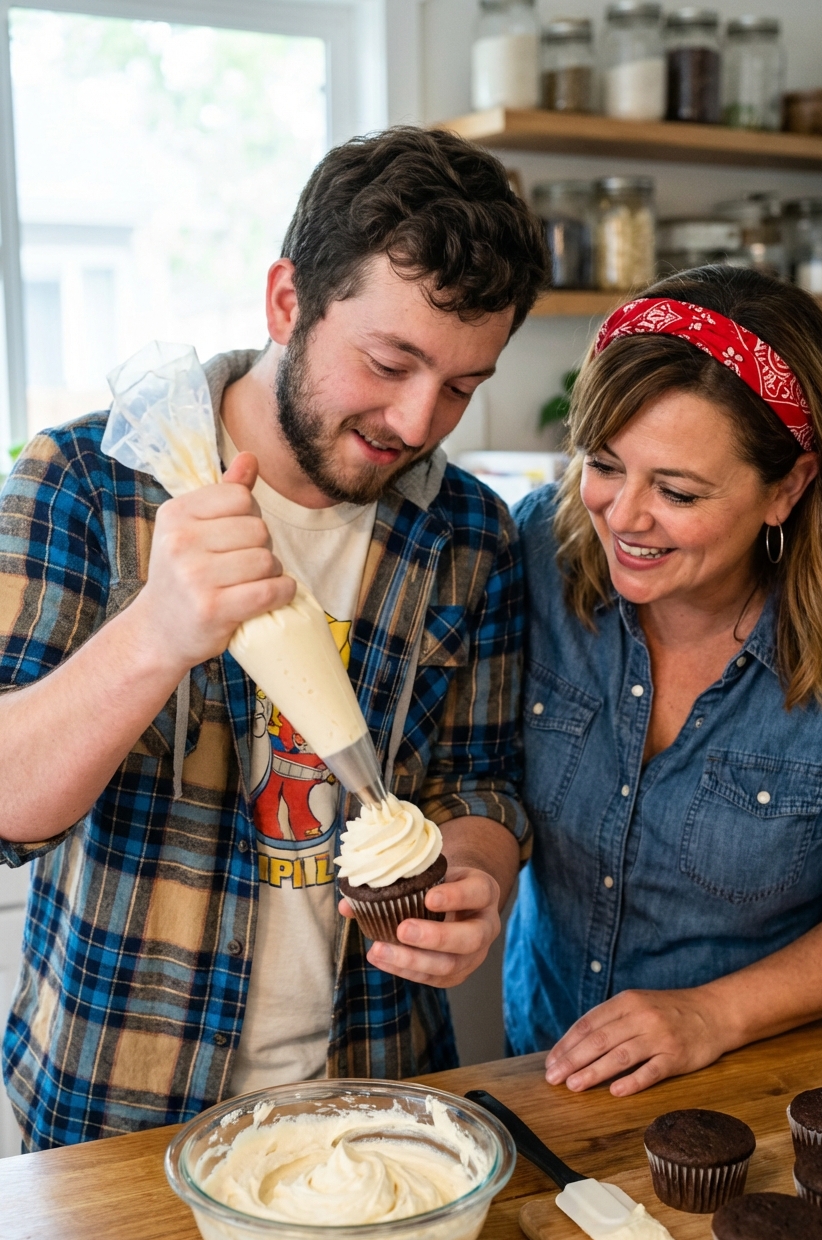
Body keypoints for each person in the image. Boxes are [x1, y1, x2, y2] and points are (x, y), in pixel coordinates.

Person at [0, 126, 548, 1149]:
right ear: (287, 301)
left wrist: (477, 870)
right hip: (116, 1113)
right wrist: (156, 631)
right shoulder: (85, 480)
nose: (419, 420)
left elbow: (479, 784)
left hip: (379, 1100)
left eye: (463, 386)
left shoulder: (466, 532)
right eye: (390, 361)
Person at [504, 266, 822, 1097]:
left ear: (788, 487)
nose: (622, 515)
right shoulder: (536, 564)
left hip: (761, 1084)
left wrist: (708, 1015)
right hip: (544, 1069)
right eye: (605, 463)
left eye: (678, 491)